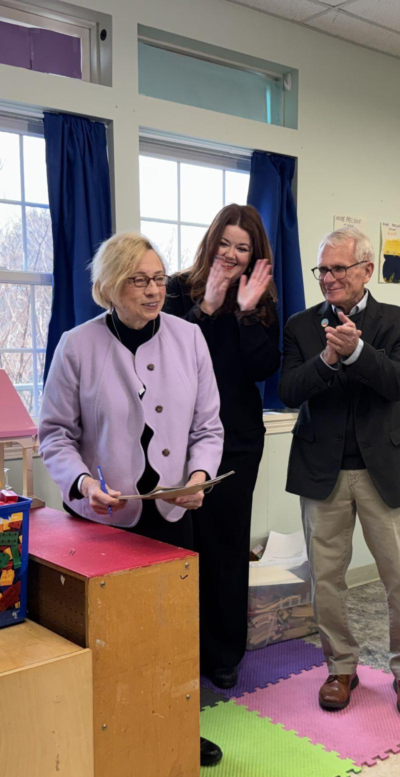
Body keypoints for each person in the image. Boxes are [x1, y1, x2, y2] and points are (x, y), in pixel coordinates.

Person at [38, 231, 226, 765]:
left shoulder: (190, 339)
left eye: (159, 279)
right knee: (115, 636)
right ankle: (116, 735)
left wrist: (198, 475)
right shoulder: (77, 345)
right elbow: (54, 434)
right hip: (105, 518)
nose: (152, 290)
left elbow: (209, 428)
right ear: (109, 287)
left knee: (172, 631)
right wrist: (81, 484)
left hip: (172, 512)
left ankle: (177, 727)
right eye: (138, 280)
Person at [279, 226, 400, 718]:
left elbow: (398, 383)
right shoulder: (301, 328)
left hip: (381, 470)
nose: (328, 278)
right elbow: (288, 391)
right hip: (320, 470)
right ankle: (340, 667)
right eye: (322, 269)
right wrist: (328, 357)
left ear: (367, 270)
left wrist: (359, 352)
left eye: (338, 268)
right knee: (326, 579)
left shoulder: (398, 322)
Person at [163, 204, 280, 690]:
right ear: (211, 242)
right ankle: (178, 649)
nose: (231, 255)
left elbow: (260, 369)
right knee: (181, 548)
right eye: (225, 243)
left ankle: (225, 654)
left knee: (228, 548)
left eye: (243, 247)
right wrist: (206, 308)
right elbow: (165, 357)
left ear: (255, 256)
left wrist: (248, 312)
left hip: (237, 442)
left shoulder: (262, 301)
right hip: (176, 442)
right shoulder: (173, 290)